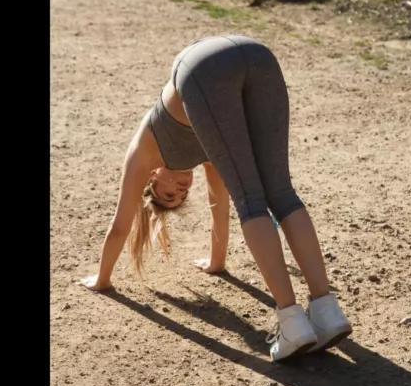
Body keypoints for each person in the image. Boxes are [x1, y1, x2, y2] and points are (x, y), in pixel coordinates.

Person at [79, 34, 352, 362]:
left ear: (152, 180)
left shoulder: (142, 154)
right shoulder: (209, 144)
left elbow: (121, 226)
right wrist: (217, 262)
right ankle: (326, 311)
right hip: (255, 53)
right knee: (280, 192)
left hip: (199, 69)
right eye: (180, 195)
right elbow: (219, 208)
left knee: (251, 201)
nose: (179, 190)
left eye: (169, 193)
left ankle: (292, 322)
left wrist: (103, 279)